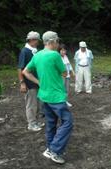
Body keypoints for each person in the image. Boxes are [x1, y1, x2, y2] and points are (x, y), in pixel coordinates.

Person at [22, 31, 73, 164]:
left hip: (44, 96)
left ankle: (50, 148)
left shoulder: (37, 55)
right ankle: (55, 151)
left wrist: (39, 82)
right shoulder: (54, 55)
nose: (58, 44)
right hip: (56, 96)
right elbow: (64, 72)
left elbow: (25, 72)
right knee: (67, 122)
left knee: (51, 124)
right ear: (52, 41)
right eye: (57, 41)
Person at [17, 31, 43, 131]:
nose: (38, 42)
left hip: (36, 82)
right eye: (37, 40)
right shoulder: (25, 51)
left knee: (38, 103)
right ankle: (31, 124)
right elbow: (20, 68)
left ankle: (36, 121)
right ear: (32, 40)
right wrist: (22, 83)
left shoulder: (34, 51)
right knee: (31, 104)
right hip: (29, 83)